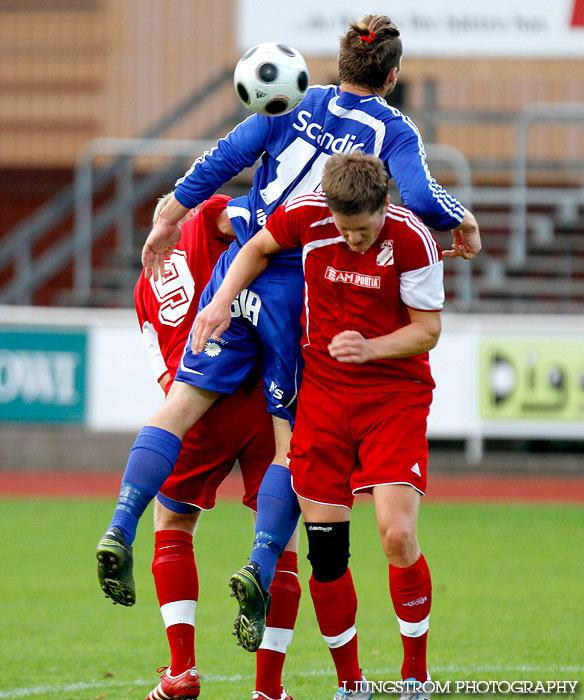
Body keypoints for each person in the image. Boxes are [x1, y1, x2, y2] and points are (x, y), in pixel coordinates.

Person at [98, 12, 480, 659]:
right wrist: (461, 221)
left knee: (180, 405)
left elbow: (225, 156)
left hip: (242, 260)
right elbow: (415, 191)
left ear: (338, 65)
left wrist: (170, 213)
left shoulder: (293, 98)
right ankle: (259, 559)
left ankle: (120, 521)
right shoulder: (392, 127)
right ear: (391, 75)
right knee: (288, 438)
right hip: (300, 282)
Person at [192, 151, 443, 700]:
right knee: (327, 551)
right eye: (347, 230)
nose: (357, 240)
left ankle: (416, 675)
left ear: (385, 207)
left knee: (397, 535)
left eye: (366, 229)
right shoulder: (306, 215)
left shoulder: (412, 239)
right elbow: (256, 247)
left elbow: (428, 331)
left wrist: (371, 348)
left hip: (393, 397)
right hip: (324, 400)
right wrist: (220, 301)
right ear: (329, 211)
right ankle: (351, 686)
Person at [100, 194, 300, 700]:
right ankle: (269, 690)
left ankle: (181, 669)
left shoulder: (143, 288)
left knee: (172, 525)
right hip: (259, 392)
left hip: (193, 403)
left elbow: (162, 368)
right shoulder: (206, 217)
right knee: (281, 543)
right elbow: (261, 228)